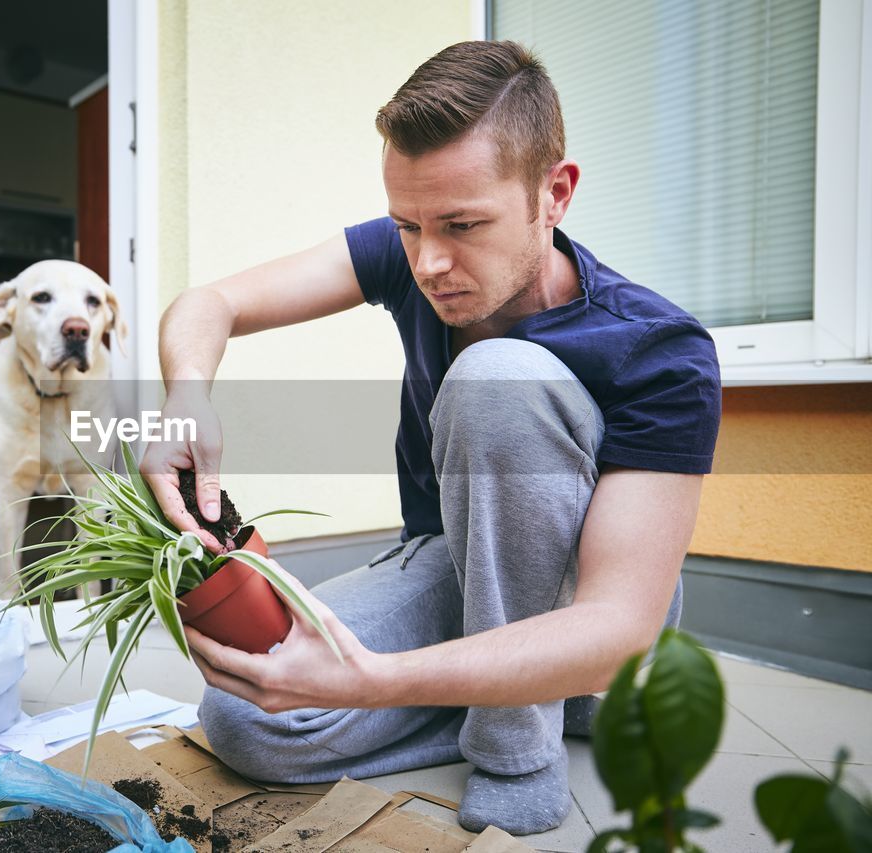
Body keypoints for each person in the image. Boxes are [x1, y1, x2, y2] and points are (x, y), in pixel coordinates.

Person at [140, 40, 721, 836]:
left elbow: (618, 620)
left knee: (498, 380)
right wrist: (183, 398)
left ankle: (520, 742)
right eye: (407, 225)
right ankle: (534, 694)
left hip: (589, 599)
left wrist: (370, 683)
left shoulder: (661, 349)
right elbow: (209, 303)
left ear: (554, 194)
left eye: (462, 224)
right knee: (246, 716)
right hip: (453, 557)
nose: (429, 261)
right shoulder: (407, 252)